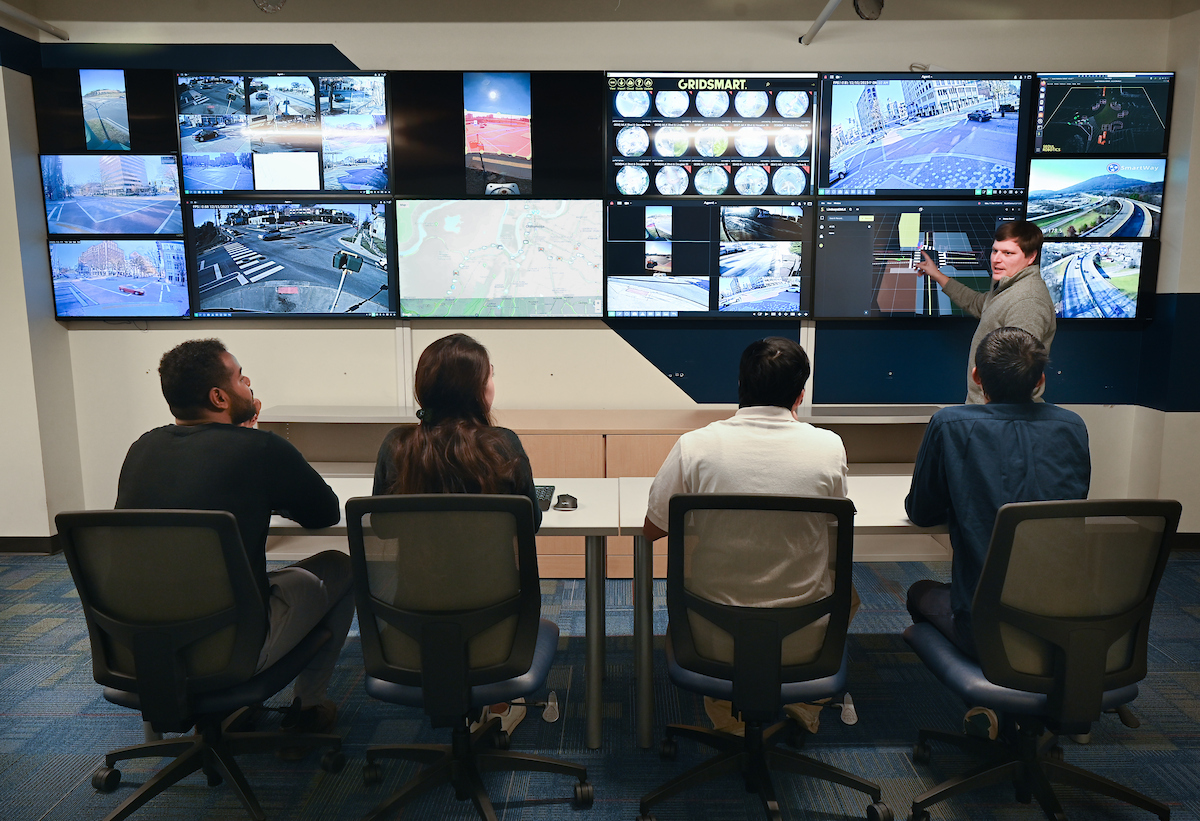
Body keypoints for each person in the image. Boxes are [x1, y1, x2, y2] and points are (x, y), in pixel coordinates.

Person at [115, 339, 352, 757]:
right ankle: (308, 706)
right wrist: (261, 461)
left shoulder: (141, 448)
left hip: (139, 648)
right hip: (230, 647)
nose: (249, 384)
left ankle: (216, 716)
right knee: (339, 566)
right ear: (220, 396)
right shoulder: (260, 449)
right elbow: (325, 513)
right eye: (241, 377)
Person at [643, 336, 857, 736]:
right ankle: (804, 705)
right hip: (802, 638)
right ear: (800, 395)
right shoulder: (828, 447)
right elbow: (831, 528)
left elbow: (653, 527)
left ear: (740, 387)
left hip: (712, 633)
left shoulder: (696, 446)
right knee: (850, 591)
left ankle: (729, 713)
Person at [372, 333, 541, 731]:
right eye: (491, 377)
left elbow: (381, 524)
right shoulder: (502, 445)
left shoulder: (396, 446)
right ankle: (497, 705)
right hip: (493, 621)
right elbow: (529, 522)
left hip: (411, 621)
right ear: (477, 390)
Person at [905, 327, 1091, 664]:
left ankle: (981, 692)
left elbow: (921, 512)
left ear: (976, 376)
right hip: (1066, 623)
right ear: (1040, 380)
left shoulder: (950, 423)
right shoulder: (1071, 425)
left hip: (985, 626)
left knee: (919, 593)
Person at [915, 220, 1055, 404]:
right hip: (987, 413)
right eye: (995, 250)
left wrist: (989, 418)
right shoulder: (1009, 286)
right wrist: (938, 275)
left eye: (1008, 253)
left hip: (998, 418)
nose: (997, 259)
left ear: (1031, 257)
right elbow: (978, 304)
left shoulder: (1027, 302)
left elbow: (1017, 376)